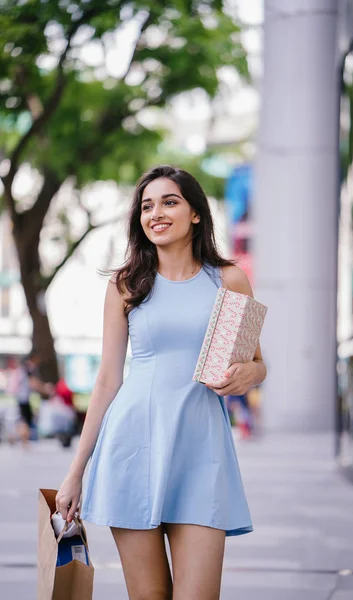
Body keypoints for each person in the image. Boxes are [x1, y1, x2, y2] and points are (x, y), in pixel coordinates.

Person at [56, 165, 267, 600]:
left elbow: (256, 362)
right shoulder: (127, 284)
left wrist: (250, 373)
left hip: (201, 452)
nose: (156, 213)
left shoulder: (228, 279)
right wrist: (75, 474)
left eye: (170, 202)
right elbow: (107, 380)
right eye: (147, 206)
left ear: (195, 214)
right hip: (131, 447)